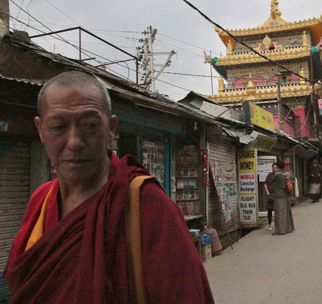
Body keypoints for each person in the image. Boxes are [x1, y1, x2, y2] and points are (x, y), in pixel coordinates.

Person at [3, 71, 213, 303]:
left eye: (91, 125)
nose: (74, 141)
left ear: (111, 128)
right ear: (40, 130)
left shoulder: (147, 205)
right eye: (58, 127)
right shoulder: (41, 200)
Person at [268, 161, 295, 235]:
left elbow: (269, 181)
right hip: (286, 195)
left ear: (278, 167)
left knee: (279, 213)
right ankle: (289, 228)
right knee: (286, 211)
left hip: (278, 196)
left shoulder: (277, 175)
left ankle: (280, 230)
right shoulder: (287, 174)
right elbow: (292, 181)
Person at [264, 163, 279, 231]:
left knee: (278, 210)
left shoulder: (279, 175)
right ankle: (270, 224)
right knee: (269, 210)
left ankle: (277, 224)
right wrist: (267, 192)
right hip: (270, 194)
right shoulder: (270, 175)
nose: (274, 169)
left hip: (277, 195)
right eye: (273, 168)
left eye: (276, 168)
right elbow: (265, 184)